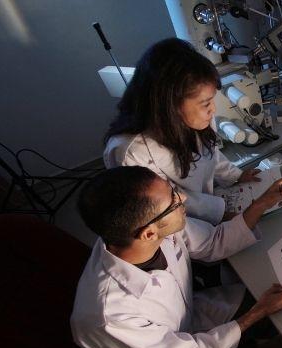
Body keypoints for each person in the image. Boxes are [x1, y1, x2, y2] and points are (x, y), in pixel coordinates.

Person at [71, 166, 282, 348]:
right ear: (148, 234)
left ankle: (237, 347)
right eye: (173, 201)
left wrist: (261, 203)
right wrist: (256, 312)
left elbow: (213, 242)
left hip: (187, 317)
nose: (183, 199)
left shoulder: (144, 229)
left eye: (173, 191)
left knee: (262, 298)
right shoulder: (109, 315)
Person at [104, 38, 261, 225]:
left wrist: (237, 176)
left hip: (208, 207)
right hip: (175, 224)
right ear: (170, 104)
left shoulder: (199, 119)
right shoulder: (130, 152)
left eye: (211, 100)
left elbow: (211, 155)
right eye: (205, 103)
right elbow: (169, 201)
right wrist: (220, 214)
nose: (213, 110)